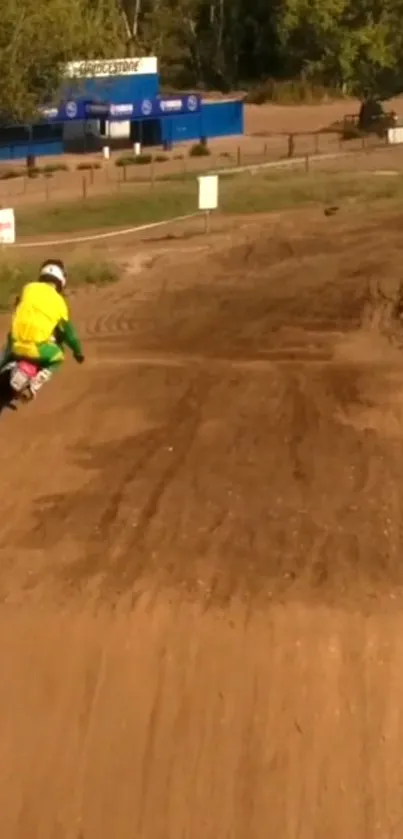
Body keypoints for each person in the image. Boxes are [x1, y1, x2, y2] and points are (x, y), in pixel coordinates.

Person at [0, 259, 84, 398]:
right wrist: (78, 352)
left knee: (7, 348)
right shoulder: (60, 303)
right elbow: (69, 334)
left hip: (15, 345)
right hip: (36, 350)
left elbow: (18, 306)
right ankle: (35, 384)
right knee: (58, 356)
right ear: (61, 280)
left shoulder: (28, 288)